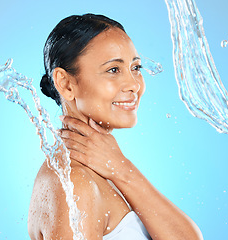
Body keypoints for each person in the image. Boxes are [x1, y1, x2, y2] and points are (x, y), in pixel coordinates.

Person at [28, 13, 203, 240]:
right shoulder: (74, 181)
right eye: (113, 70)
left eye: (136, 67)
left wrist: (122, 169)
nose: (134, 85)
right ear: (66, 83)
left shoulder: (107, 169)